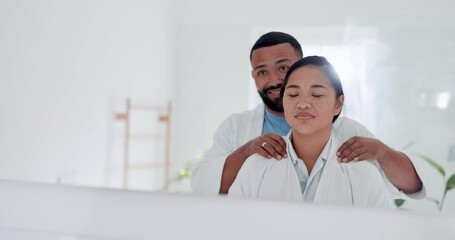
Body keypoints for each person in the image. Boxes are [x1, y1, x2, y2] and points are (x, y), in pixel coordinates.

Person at [191, 31, 425, 200]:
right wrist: (248, 150)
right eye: (262, 72)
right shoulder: (238, 133)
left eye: (283, 68)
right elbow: (204, 186)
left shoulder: (349, 135)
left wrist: (381, 152)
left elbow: (410, 187)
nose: (273, 80)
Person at [228, 56, 391, 208]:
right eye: (293, 94)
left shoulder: (365, 176)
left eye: (317, 94)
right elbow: (233, 227)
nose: (303, 103)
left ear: (338, 104)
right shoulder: (255, 167)